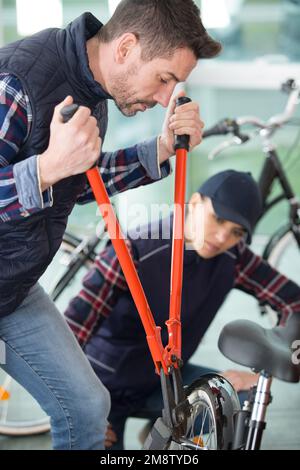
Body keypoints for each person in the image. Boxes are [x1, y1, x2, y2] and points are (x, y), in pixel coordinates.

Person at [0, 0, 221, 450]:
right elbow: (51, 173)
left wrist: (159, 150)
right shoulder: (17, 82)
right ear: (125, 48)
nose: (166, 98)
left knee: (86, 407)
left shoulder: (90, 88)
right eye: (164, 79)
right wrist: (43, 170)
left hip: (13, 287)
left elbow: (76, 183)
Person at [64, 170, 300, 450]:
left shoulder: (233, 256)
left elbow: (293, 302)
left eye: (236, 231)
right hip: (104, 386)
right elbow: (73, 328)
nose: (223, 236)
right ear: (196, 202)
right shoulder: (133, 247)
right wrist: (81, 409)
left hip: (167, 385)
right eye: (219, 219)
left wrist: (265, 367)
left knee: (242, 400)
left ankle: (158, 435)